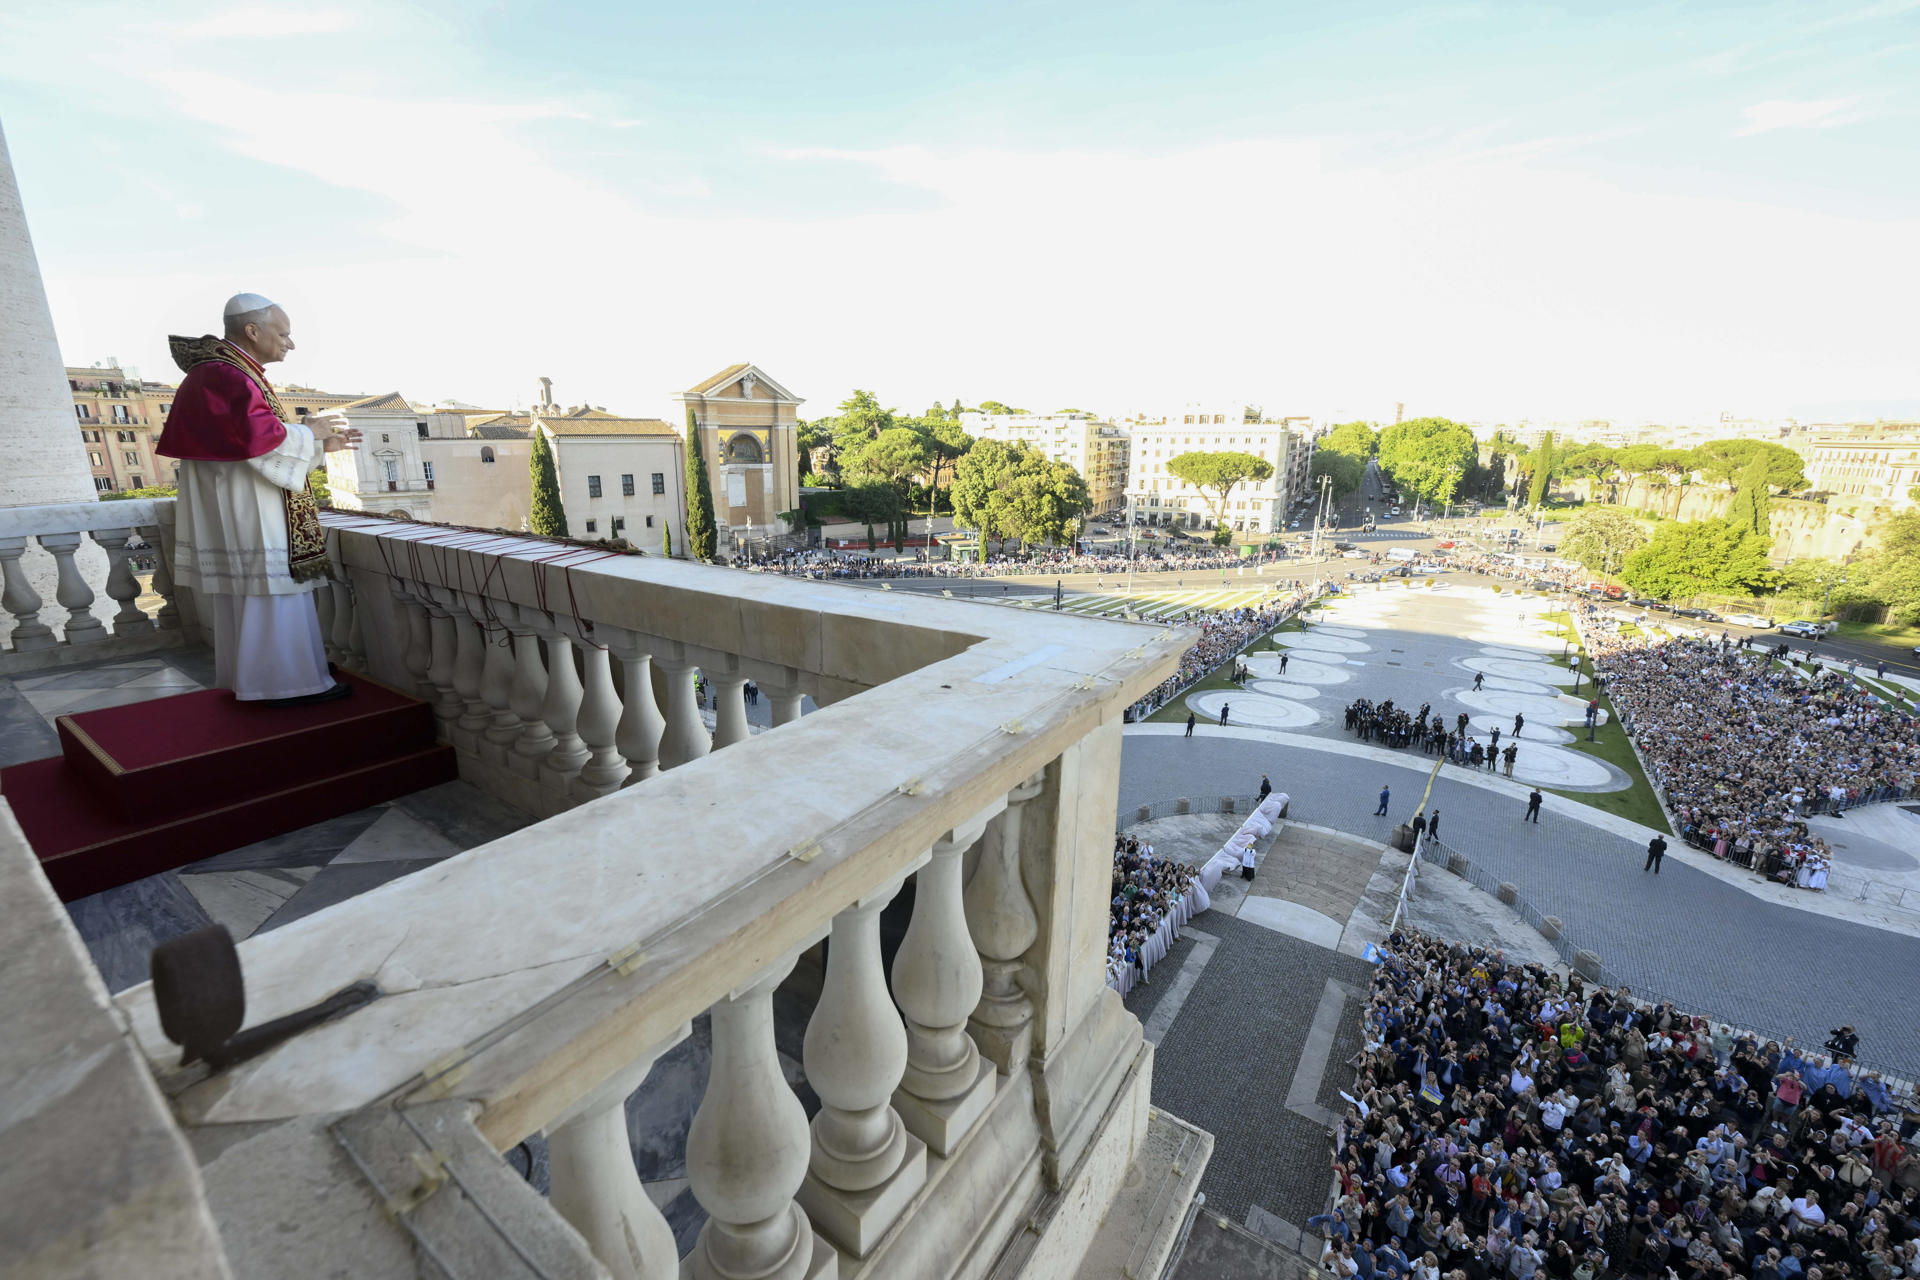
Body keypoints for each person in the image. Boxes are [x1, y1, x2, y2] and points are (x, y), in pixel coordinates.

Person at [155, 294, 361, 705]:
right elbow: (256, 441)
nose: (290, 343)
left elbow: (256, 441)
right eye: (283, 333)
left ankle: (281, 671)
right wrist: (310, 431)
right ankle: (284, 683)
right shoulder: (225, 375)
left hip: (242, 501)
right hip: (250, 507)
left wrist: (323, 446)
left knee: (255, 595)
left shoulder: (222, 370)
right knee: (270, 589)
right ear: (252, 331)